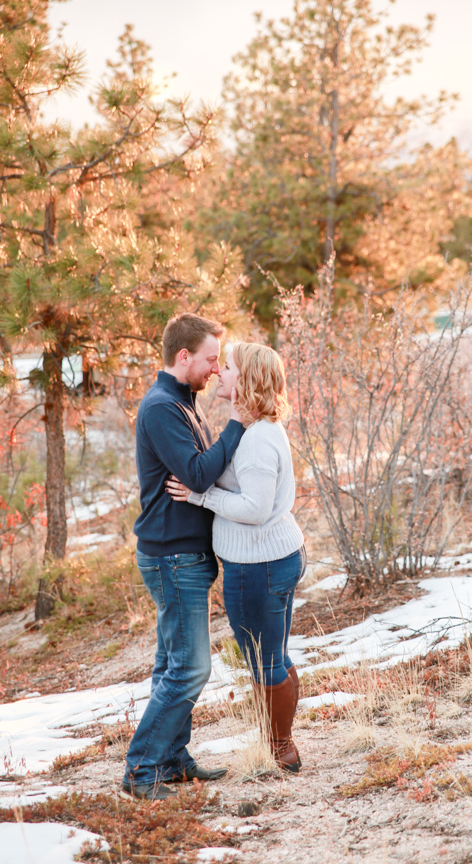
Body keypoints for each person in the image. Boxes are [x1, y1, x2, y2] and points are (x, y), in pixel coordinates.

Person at [121, 313, 245, 802]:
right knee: (191, 669)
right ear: (184, 356)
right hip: (173, 558)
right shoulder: (161, 408)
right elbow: (197, 475)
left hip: (183, 555)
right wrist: (237, 424)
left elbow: (200, 476)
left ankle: (172, 759)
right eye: (212, 359)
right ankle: (141, 770)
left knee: (171, 663)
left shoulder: (183, 403)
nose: (217, 369)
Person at [166, 342, 306, 773]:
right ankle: (279, 740)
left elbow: (254, 509)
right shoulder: (253, 427)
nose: (220, 373)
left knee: (266, 660)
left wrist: (199, 495)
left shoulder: (259, 440)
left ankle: (280, 747)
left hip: (258, 567)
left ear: (245, 379)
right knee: (274, 655)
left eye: (227, 367)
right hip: (271, 559)